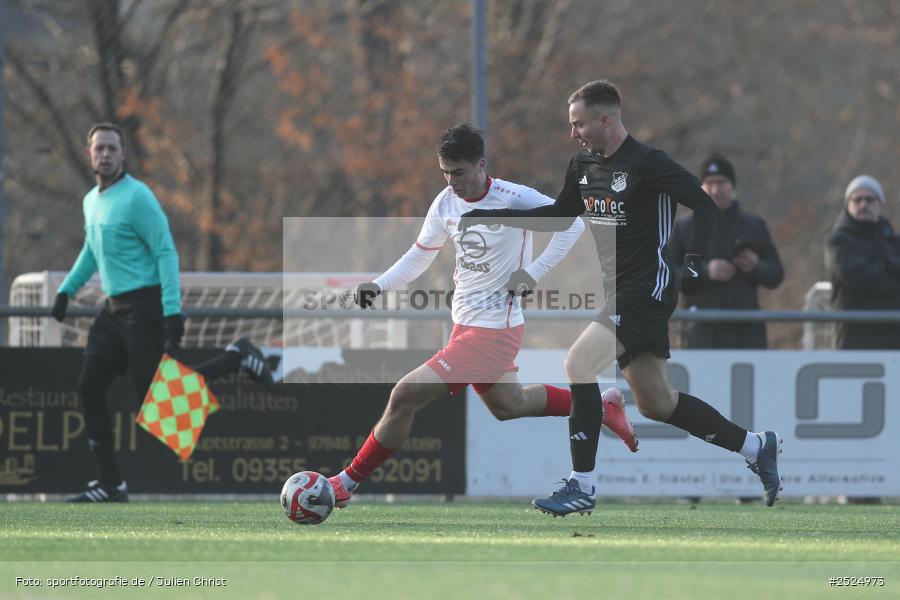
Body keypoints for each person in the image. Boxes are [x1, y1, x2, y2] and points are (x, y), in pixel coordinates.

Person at [459, 81, 783, 516]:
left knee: (578, 364)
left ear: (605, 119)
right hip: (619, 291)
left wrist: (693, 259)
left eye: (579, 124)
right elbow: (560, 214)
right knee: (657, 402)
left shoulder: (648, 162)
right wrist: (495, 216)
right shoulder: (582, 165)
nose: (574, 133)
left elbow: (704, 206)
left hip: (649, 289)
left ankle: (582, 485)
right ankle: (756, 446)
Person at [328, 124, 639, 510]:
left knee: (404, 395)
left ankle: (345, 483)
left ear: (481, 164)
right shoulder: (446, 202)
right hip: (465, 325)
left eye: (458, 172)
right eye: (445, 172)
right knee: (510, 405)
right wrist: (379, 285)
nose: (451, 182)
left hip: (493, 331)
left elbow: (572, 224)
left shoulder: (515, 198)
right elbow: (420, 254)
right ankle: (600, 408)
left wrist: (532, 274)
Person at [52, 122, 273, 503]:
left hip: (145, 307)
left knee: (158, 403)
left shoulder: (138, 197)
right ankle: (110, 484)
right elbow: (92, 249)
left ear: (123, 154)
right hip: (112, 311)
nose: (105, 154)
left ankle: (236, 358)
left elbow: (166, 251)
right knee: (89, 387)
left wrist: (172, 311)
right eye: (99, 148)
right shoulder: (91, 201)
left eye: (112, 148)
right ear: (89, 154)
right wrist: (65, 290)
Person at [668, 153, 784, 348]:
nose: (715, 189)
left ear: (732, 186)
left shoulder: (754, 225)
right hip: (701, 332)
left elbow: (776, 275)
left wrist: (755, 267)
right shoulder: (684, 227)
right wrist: (705, 272)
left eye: (721, 182)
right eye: (709, 183)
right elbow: (667, 275)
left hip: (746, 332)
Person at [825, 175, 900, 349]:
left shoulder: (892, 241)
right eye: (857, 200)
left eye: (869, 199)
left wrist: (883, 267)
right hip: (856, 340)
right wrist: (892, 271)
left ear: (880, 204)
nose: (863, 205)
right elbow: (857, 276)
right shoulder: (837, 241)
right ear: (848, 204)